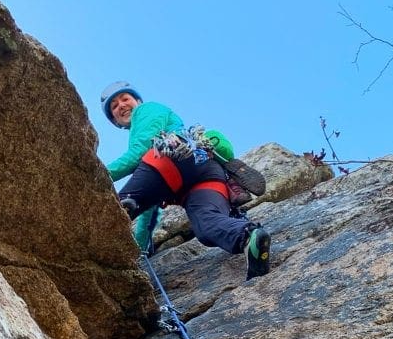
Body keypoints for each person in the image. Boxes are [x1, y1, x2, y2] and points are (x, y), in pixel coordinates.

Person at [100, 82, 271, 279]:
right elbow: (149, 205)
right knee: (207, 225)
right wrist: (141, 248)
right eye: (114, 106)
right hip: (206, 173)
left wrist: (94, 174)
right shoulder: (144, 121)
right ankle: (249, 236)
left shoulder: (147, 110)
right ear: (115, 121)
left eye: (125, 99)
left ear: (137, 101)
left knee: (114, 208)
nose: (121, 105)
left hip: (173, 157)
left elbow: (139, 152)